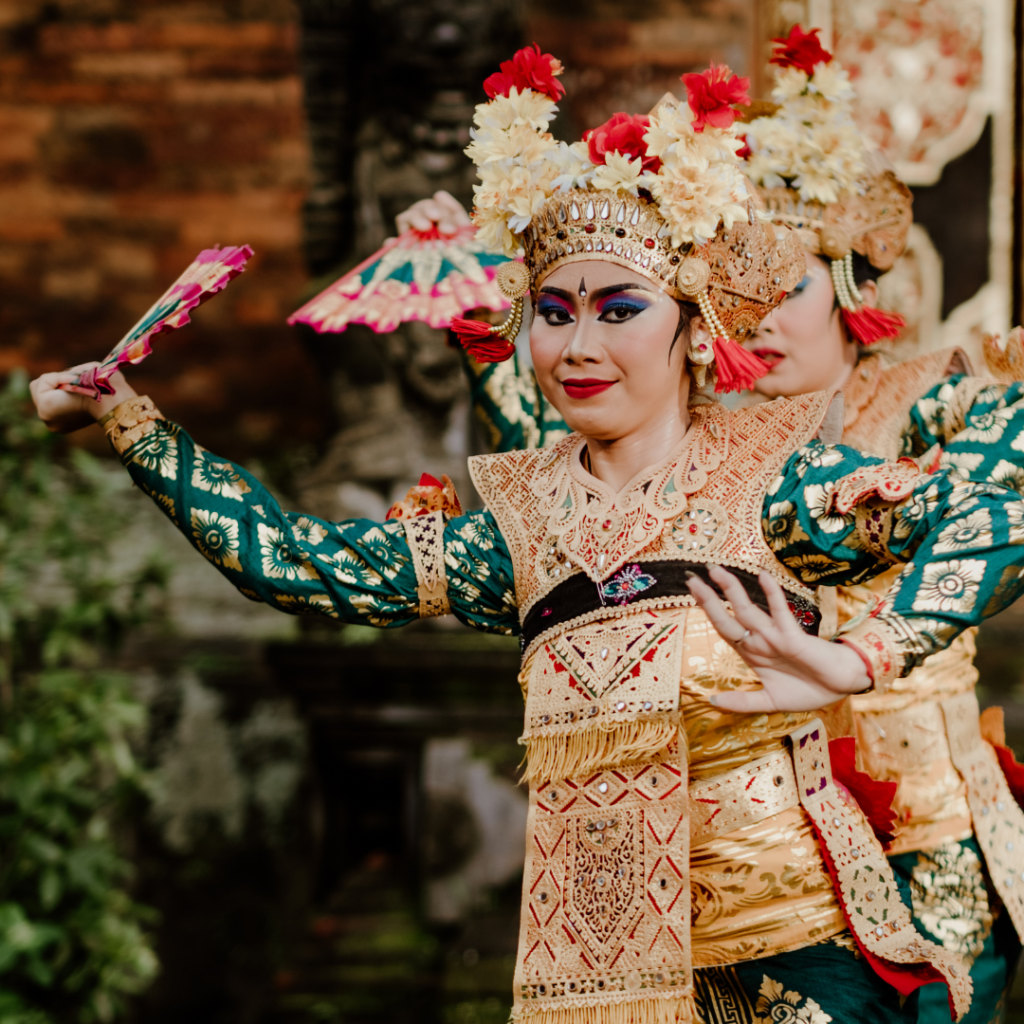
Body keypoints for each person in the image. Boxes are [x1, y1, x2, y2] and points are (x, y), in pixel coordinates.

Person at [29, 45, 1024, 1024]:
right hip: (598, 989)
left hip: (797, 973)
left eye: (619, 310)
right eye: (551, 313)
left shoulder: (774, 485)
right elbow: (300, 566)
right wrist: (133, 423)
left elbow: (999, 510)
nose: (577, 345)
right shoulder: (514, 525)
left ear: (692, 324)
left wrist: (857, 656)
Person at [736, 28, 1024, 1024]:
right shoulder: (698, 440)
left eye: (789, 288)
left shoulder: (925, 400)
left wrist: (869, 650)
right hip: (767, 847)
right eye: (736, 291)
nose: (758, 318)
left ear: (850, 284)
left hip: (926, 825)